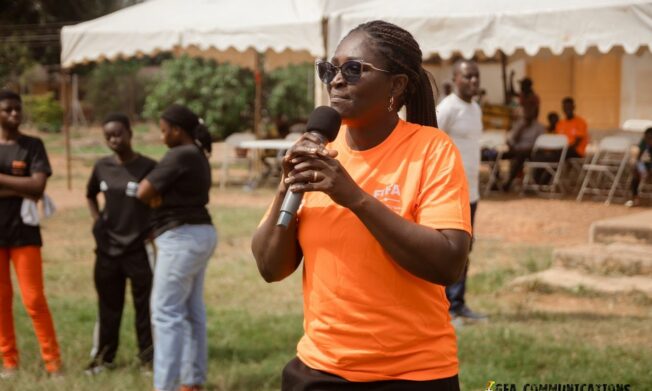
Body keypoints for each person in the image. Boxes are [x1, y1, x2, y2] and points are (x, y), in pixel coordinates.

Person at [252, 20, 471, 390]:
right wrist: (286, 186)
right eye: (330, 69)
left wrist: (354, 197)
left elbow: (448, 262)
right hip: (318, 370)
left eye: (353, 69)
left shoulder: (431, 150)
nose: (336, 80)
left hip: (411, 375)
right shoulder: (320, 154)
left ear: (397, 86)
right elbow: (271, 267)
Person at [137, 104, 217, 391]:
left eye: (163, 130)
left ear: (176, 130)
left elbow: (144, 191)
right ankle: (192, 380)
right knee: (191, 310)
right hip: (201, 234)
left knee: (165, 312)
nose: (161, 137)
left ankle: (165, 386)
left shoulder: (179, 154)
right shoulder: (197, 154)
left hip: (180, 238)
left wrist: (155, 197)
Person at [85, 113, 156, 374]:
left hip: (138, 249)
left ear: (130, 133)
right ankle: (104, 359)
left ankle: (148, 359)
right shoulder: (102, 167)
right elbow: (90, 194)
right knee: (108, 307)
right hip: (107, 250)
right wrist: (97, 222)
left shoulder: (149, 166)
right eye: (108, 136)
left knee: (145, 308)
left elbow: (161, 201)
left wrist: (152, 229)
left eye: (118, 134)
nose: (114, 140)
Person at [0, 90, 61, 378]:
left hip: (25, 234)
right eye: (8, 110)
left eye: (17, 109)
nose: (14, 114)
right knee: (1, 300)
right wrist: (20, 185)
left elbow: (38, 188)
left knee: (34, 300)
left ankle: (53, 363)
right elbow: (29, 186)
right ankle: (9, 361)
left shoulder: (33, 145)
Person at [437, 59, 486, 321]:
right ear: (455, 78)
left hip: (472, 192)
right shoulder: (447, 108)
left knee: (465, 250)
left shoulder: (475, 108)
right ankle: (444, 307)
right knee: (450, 250)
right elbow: (430, 142)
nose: (474, 82)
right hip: (450, 192)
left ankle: (457, 304)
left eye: (476, 77)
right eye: (468, 77)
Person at [501, 103, 545, 192]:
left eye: (530, 111)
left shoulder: (539, 127)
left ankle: (509, 181)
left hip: (530, 152)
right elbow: (511, 140)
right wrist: (521, 129)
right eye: (526, 111)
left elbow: (539, 145)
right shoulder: (519, 124)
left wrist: (525, 149)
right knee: (495, 156)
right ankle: (496, 181)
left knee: (520, 156)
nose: (527, 113)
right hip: (515, 150)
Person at [626, 127, 652, 207]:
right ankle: (634, 198)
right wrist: (641, 169)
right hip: (647, 164)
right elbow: (638, 158)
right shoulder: (644, 142)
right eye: (646, 137)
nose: (648, 140)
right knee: (635, 173)